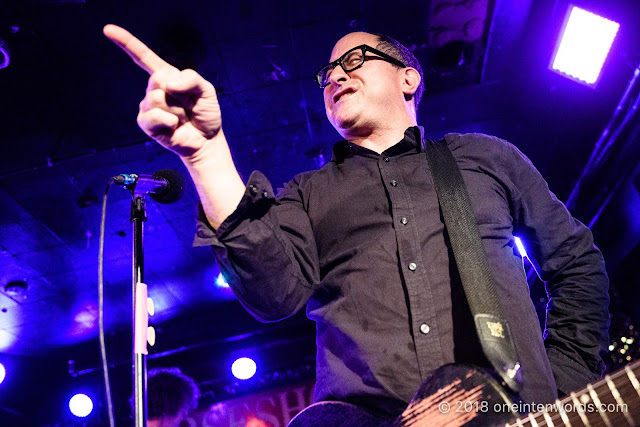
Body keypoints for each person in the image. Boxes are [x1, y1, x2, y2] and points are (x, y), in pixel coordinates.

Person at [104, 25, 610, 424]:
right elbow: (271, 293)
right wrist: (207, 155)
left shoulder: (485, 159)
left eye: (353, 61)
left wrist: (561, 384)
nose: (335, 77)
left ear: (408, 77)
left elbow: (577, 265)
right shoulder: (307, 193)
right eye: (327, 74)